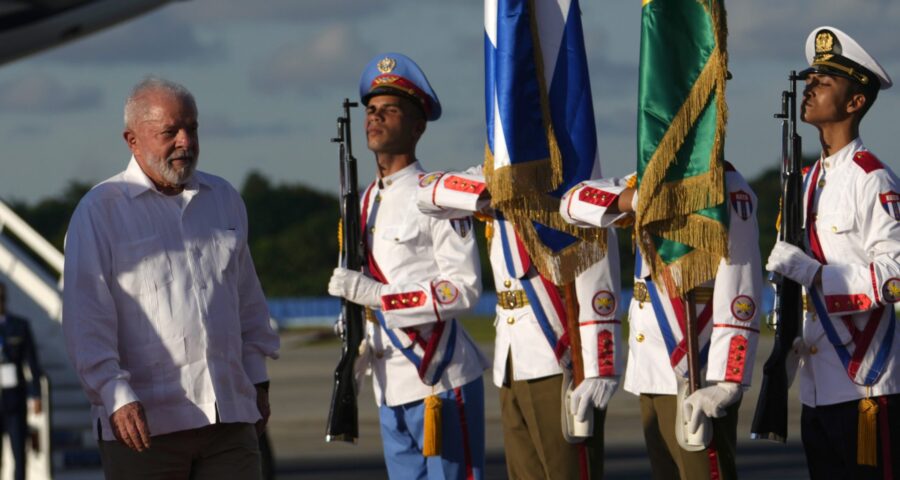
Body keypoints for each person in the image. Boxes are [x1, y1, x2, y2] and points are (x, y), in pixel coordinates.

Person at [62, 76, 280, 480]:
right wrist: (113, 394)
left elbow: (247, 301)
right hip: (145, 428)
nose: (185, 141)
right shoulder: (100, 210)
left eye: (192, 128)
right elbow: (85, 318)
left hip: (228, 421)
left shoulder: (224, 199)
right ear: (132, 139)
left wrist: (258, 382)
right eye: (170, 132)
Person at [327, 53, 489, 479]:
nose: (374, 119)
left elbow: (463, 289)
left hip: (438, 378)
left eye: (390, 110)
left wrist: (378, 297)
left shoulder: (437, 195)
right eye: (371, 111)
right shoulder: (361, 202)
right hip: (387, 382)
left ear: (417, 126)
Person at [559, 162, 763, 479]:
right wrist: (637, 199)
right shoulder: (646, 180)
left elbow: (741, 287)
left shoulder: (727, 186)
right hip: (651, 368)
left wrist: (729, 381)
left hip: (696, 373)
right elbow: (572, 203)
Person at [416, 166, 622, 479]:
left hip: (556, 354)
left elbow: (597, 279)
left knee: (567, 470)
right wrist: (505, 185)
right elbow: (428, 192)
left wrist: (600, 368)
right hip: (512, 356)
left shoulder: (570, 182)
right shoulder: (495, 172)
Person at [765, 26, 900, 479]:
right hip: (817, 386)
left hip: (865, 385)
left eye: (823, 83)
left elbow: (896, 273)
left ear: (855, 101)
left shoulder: (872, 178)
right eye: (809, 80)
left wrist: (820, 276)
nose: (810, 89)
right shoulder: (804, 182)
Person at [0, 281, 42, 480]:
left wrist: (36, 395)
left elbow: (32, 363)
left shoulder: (19, 325)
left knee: (19, 454)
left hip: (15, 400)